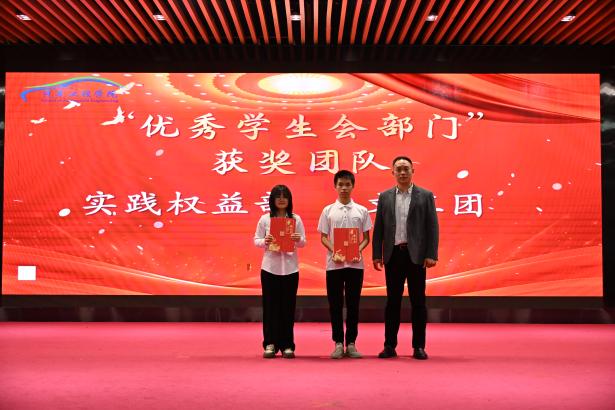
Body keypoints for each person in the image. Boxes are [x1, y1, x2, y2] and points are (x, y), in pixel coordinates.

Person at [372, 156, 439, 360]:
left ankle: (418, 346)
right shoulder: (385, 197)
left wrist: (431, 254)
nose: (402, 172)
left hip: (416, 255)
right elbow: (379, 227)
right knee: (392, 302)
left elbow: (432, 226)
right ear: (392, 172)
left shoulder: (425, 195)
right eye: (399, 169)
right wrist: (376, 254)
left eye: (406, 169)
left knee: (418, 302)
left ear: (412, 171)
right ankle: (389, 345)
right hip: (393, 255)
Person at [317, 170, 372, 359]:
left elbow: (366, 238)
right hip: (334, 265)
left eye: (347, 184)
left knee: (353, 304)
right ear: (335, 186)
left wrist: (358, 250)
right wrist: (335, 251)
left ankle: (352, 343)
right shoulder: (328, 211)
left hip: (355, 265)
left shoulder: (362, 211)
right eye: (340, 184)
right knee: (335, 304)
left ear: (353, 186)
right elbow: (324, 237)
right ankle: (338, 343)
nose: (344, 188)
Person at [254, 185, 306, 358]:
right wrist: (265, 241)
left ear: (289, 200)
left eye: (285, 196)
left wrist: (298, 239)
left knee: (288, 308)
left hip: (290, 269)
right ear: (272, 199)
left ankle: (287, 345)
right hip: (270, 268)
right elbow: (256, 240)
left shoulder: (295, 219)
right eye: (278, 196)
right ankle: (270, 343)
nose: (282, 199)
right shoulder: (265, 219)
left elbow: (303, 242)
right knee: (270, 307)